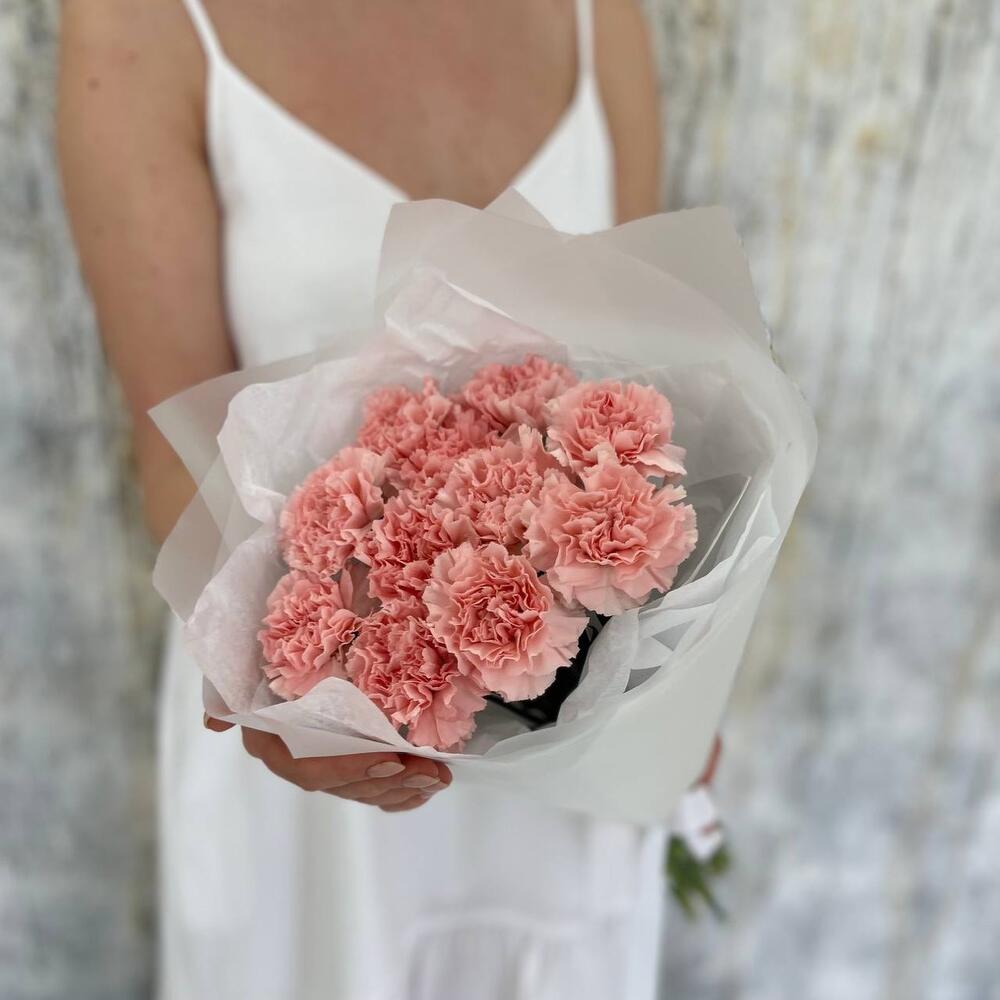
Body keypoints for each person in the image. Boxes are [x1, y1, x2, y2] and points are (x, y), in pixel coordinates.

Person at [57, 2, 712, 997]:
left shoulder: (598, 15)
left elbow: (642, 390)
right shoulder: (136, 26)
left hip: (573, 740)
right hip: (319, 769)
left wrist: (687, 667)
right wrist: (288, 703)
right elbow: (175, 463)